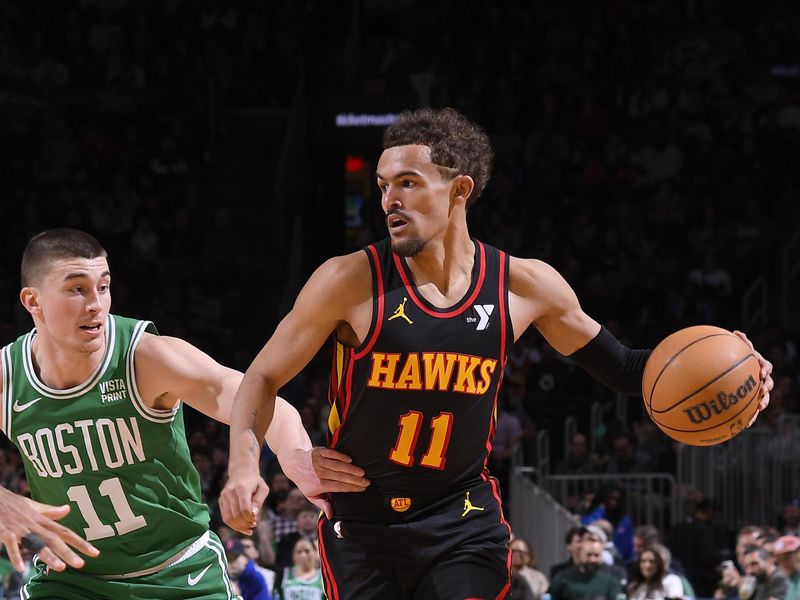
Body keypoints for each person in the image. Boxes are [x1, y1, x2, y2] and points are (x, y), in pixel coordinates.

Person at [221, 107, 774, 599]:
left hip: (463, 518)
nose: (389, 199)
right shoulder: (348, 279)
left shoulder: (524, 285)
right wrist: (244, 468)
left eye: (408, 183)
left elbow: (628, 369)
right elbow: (263, 377)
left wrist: (736, 368)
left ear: (459, 190)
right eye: (384, 185)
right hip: (365, 524)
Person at [0, 229, 366, 600]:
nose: (96, 303)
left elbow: (262, 401)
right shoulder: (7, 377)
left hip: (178, 572)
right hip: (72, 581)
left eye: (104, 286)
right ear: (33, 301)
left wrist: (293, 455)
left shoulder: (147, 358)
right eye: (77, 289)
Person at [549, 538, 624, 600]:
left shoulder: (610, 582)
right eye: (589, 555)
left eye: (596, 555)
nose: (592, 559)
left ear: (601, 557)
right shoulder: (563, 578)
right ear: (580, 554)